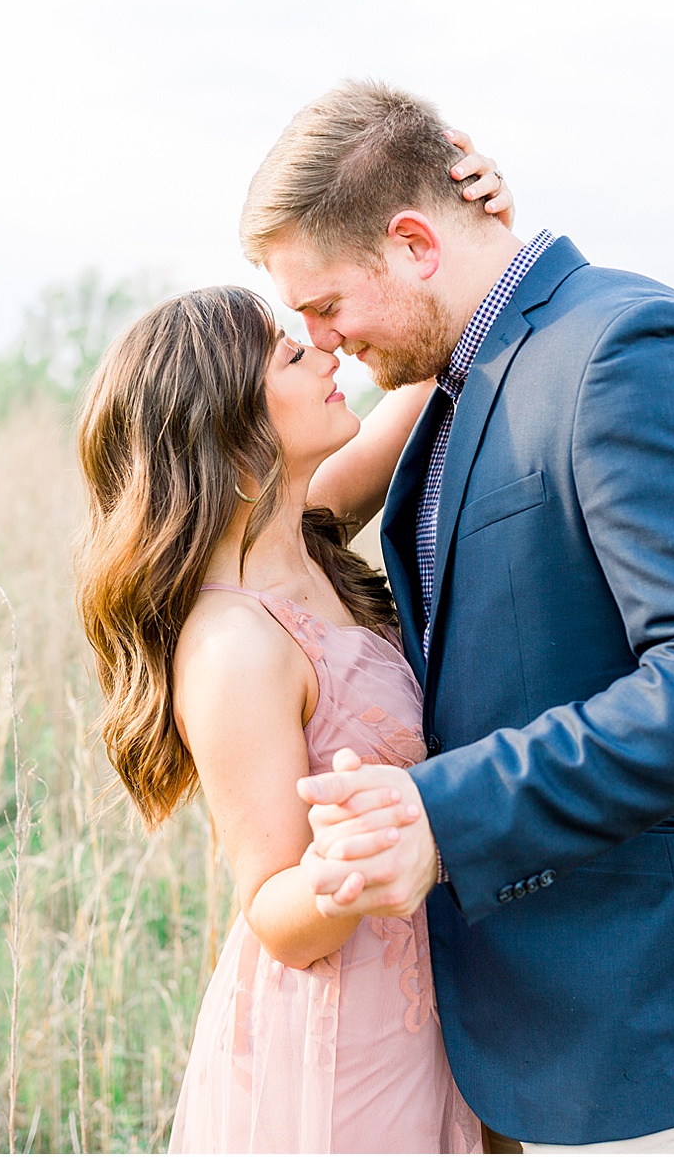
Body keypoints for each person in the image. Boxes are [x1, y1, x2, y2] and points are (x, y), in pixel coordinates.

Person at [239, 81, 674, 1152]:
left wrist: (445, 816)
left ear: (416, 244)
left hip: (657, 1027)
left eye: (328, 305)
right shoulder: (460, 371)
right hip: (540, 1033)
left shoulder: (626, 349)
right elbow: (281, 526)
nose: (324, 341)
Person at [74, 137, 513, 1152]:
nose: (327, 349)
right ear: (227, 426)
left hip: (425, 1003)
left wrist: (476, 232)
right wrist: (364, 854)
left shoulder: (310, 521)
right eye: (289, 350)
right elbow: (272, 905)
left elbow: (433, 359)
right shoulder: (233, 644)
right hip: (340, 1041)